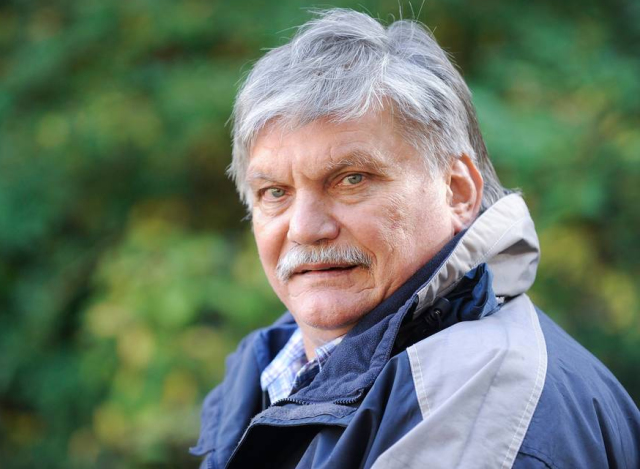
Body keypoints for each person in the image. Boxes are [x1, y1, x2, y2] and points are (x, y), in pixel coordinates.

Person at [191, 9, 640, 469]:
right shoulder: (265, 380)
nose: (305, 228)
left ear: (457, 191)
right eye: (275, 192)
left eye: (351, 179)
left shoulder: (486, 403)